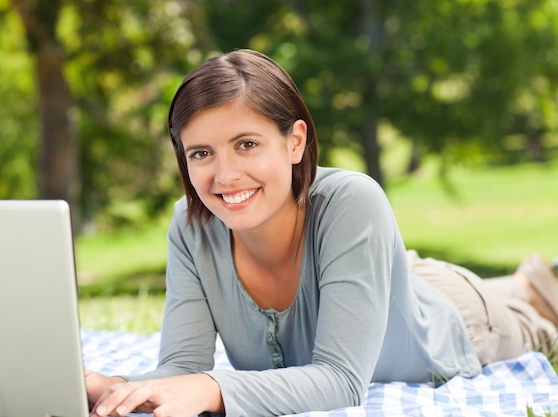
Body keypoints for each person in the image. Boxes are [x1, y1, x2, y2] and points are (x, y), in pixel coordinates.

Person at [85, 49, 558, 417]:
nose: (224, 175)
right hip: (381, 282)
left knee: (543, 321)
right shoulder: (191, 226)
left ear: (295, 141)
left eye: (246, 144)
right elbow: (181, 371)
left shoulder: (353, 200)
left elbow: (342, 380)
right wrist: (118, 389)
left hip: (457, 316)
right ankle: (524, 282)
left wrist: (214, 389)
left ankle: (532, 288)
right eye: (201, 153)